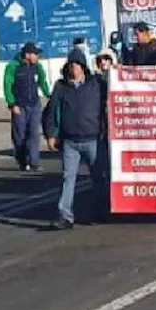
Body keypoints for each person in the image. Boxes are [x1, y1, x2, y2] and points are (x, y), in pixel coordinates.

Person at [42, 57, 108, 230]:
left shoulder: (96, 84)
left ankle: (101, 211)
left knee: (99, 178)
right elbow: (50, 111)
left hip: (93, 138)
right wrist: (50, 134)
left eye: (77, 64)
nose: (74, 68)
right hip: (70, 140)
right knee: (67, 178)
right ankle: (65, 216)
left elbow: (115, 87)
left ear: (83, 67)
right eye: (71, 65)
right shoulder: (61, 87)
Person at [3, 42, 51, 172]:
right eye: (35, 54)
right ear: (27, 54)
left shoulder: (37, 67)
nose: (37, 57)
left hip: (34, 104)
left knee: (34, 133)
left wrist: (48, 95)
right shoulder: (13, 66)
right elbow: (7, 85)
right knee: (19, 135)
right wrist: (11, 103)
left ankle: (34, 161)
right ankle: (22, 160)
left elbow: (42, 81)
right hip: (19, 105)